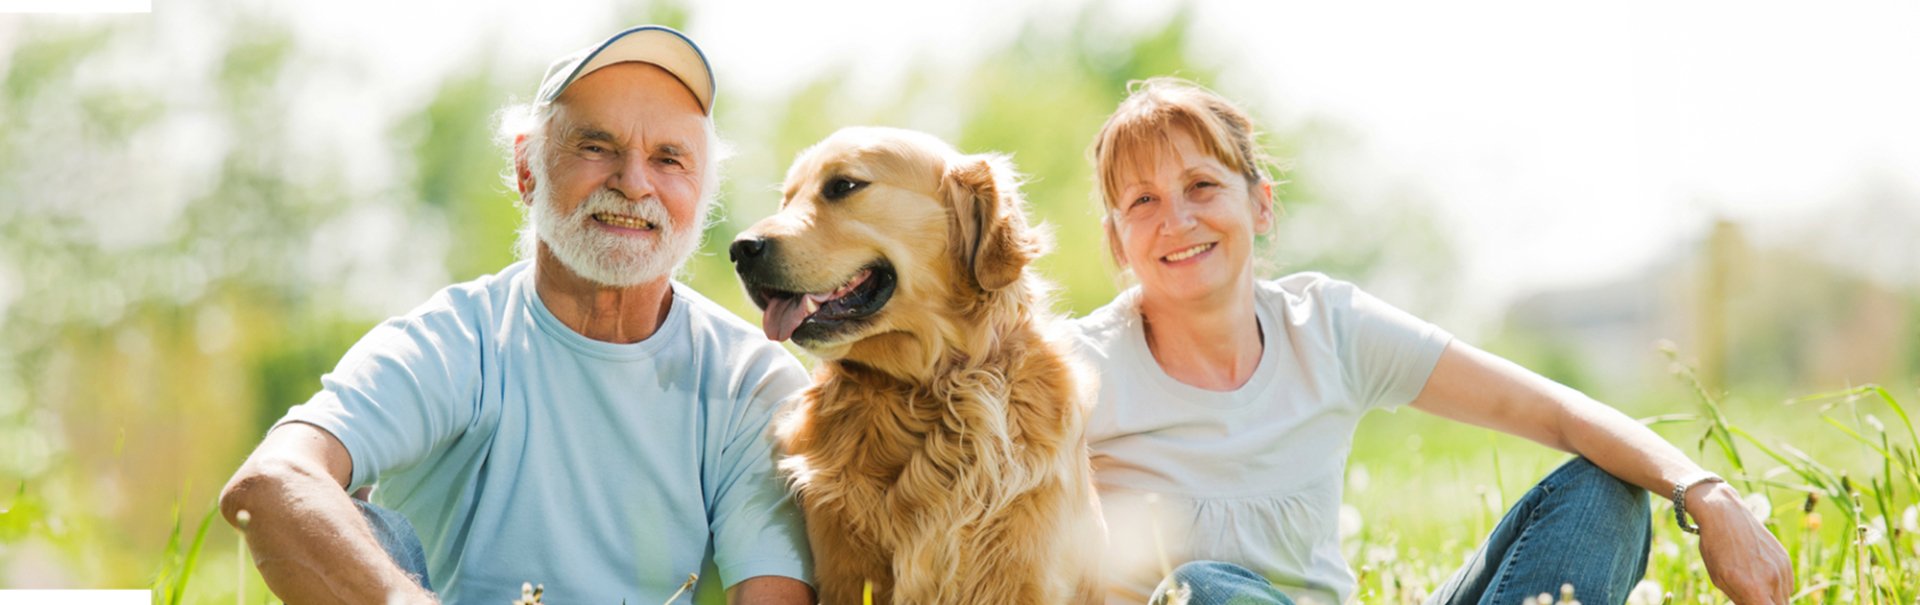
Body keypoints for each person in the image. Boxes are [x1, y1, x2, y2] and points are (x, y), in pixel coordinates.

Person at [1069, 78, 1793, 605]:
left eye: (1201, 185)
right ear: (1117, 241)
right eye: (1143, 201)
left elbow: (1557, 413)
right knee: (1197, 591)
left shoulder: (1326, 326)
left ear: (1259, 205)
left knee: (1606, 487)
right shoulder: (1076, 369)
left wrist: (1708, 492)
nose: (1178, 219)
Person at [217, 26, 815, 605]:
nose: (634, 184)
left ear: (703, 189)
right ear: (528, 169)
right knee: (365, 525)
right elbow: (270, 483)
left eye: (668, 159)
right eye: (596, 146)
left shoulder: (753, 383)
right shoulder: (456, 340)